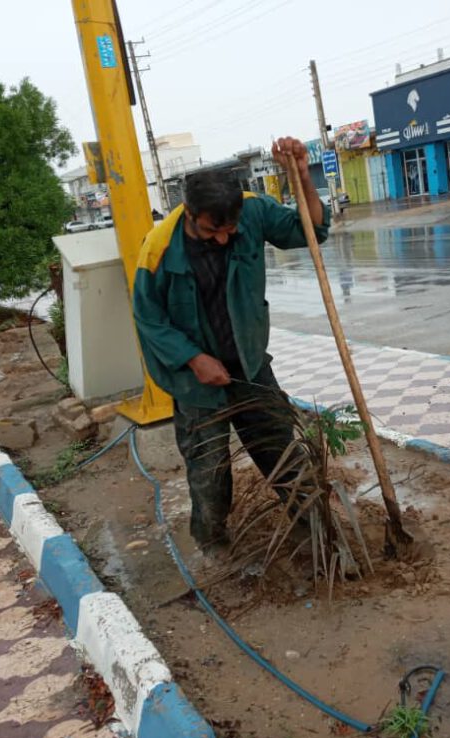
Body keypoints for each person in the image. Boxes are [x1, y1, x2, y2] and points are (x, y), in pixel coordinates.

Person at [132, 137, 329, 556]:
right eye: (211, 231)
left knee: (281, 448)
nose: (223, 239)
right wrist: (193, 358)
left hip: (249, 362)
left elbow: (311, 230)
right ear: (189, 214)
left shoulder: (253, 210)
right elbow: (149, 319)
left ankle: (314, 528)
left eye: (230, 230)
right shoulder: (159, 250)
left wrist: (301, 177)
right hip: (195, 381)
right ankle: (212, 541)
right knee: (208, 466)